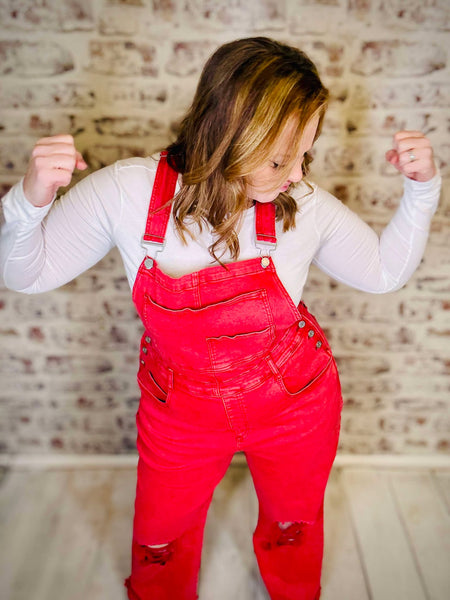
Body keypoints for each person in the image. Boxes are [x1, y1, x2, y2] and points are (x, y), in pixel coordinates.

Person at [0, 37, 440, 600]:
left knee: (293, 526)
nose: (296, 174)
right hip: (179, 412)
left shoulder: (301, 205)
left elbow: (383, 272)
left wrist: (421, 191)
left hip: (294, 401)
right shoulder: (128, 192)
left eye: (306, 153)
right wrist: (30, 199)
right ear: (225, 132)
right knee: (160, 540)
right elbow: (26, 273)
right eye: (280, 158)